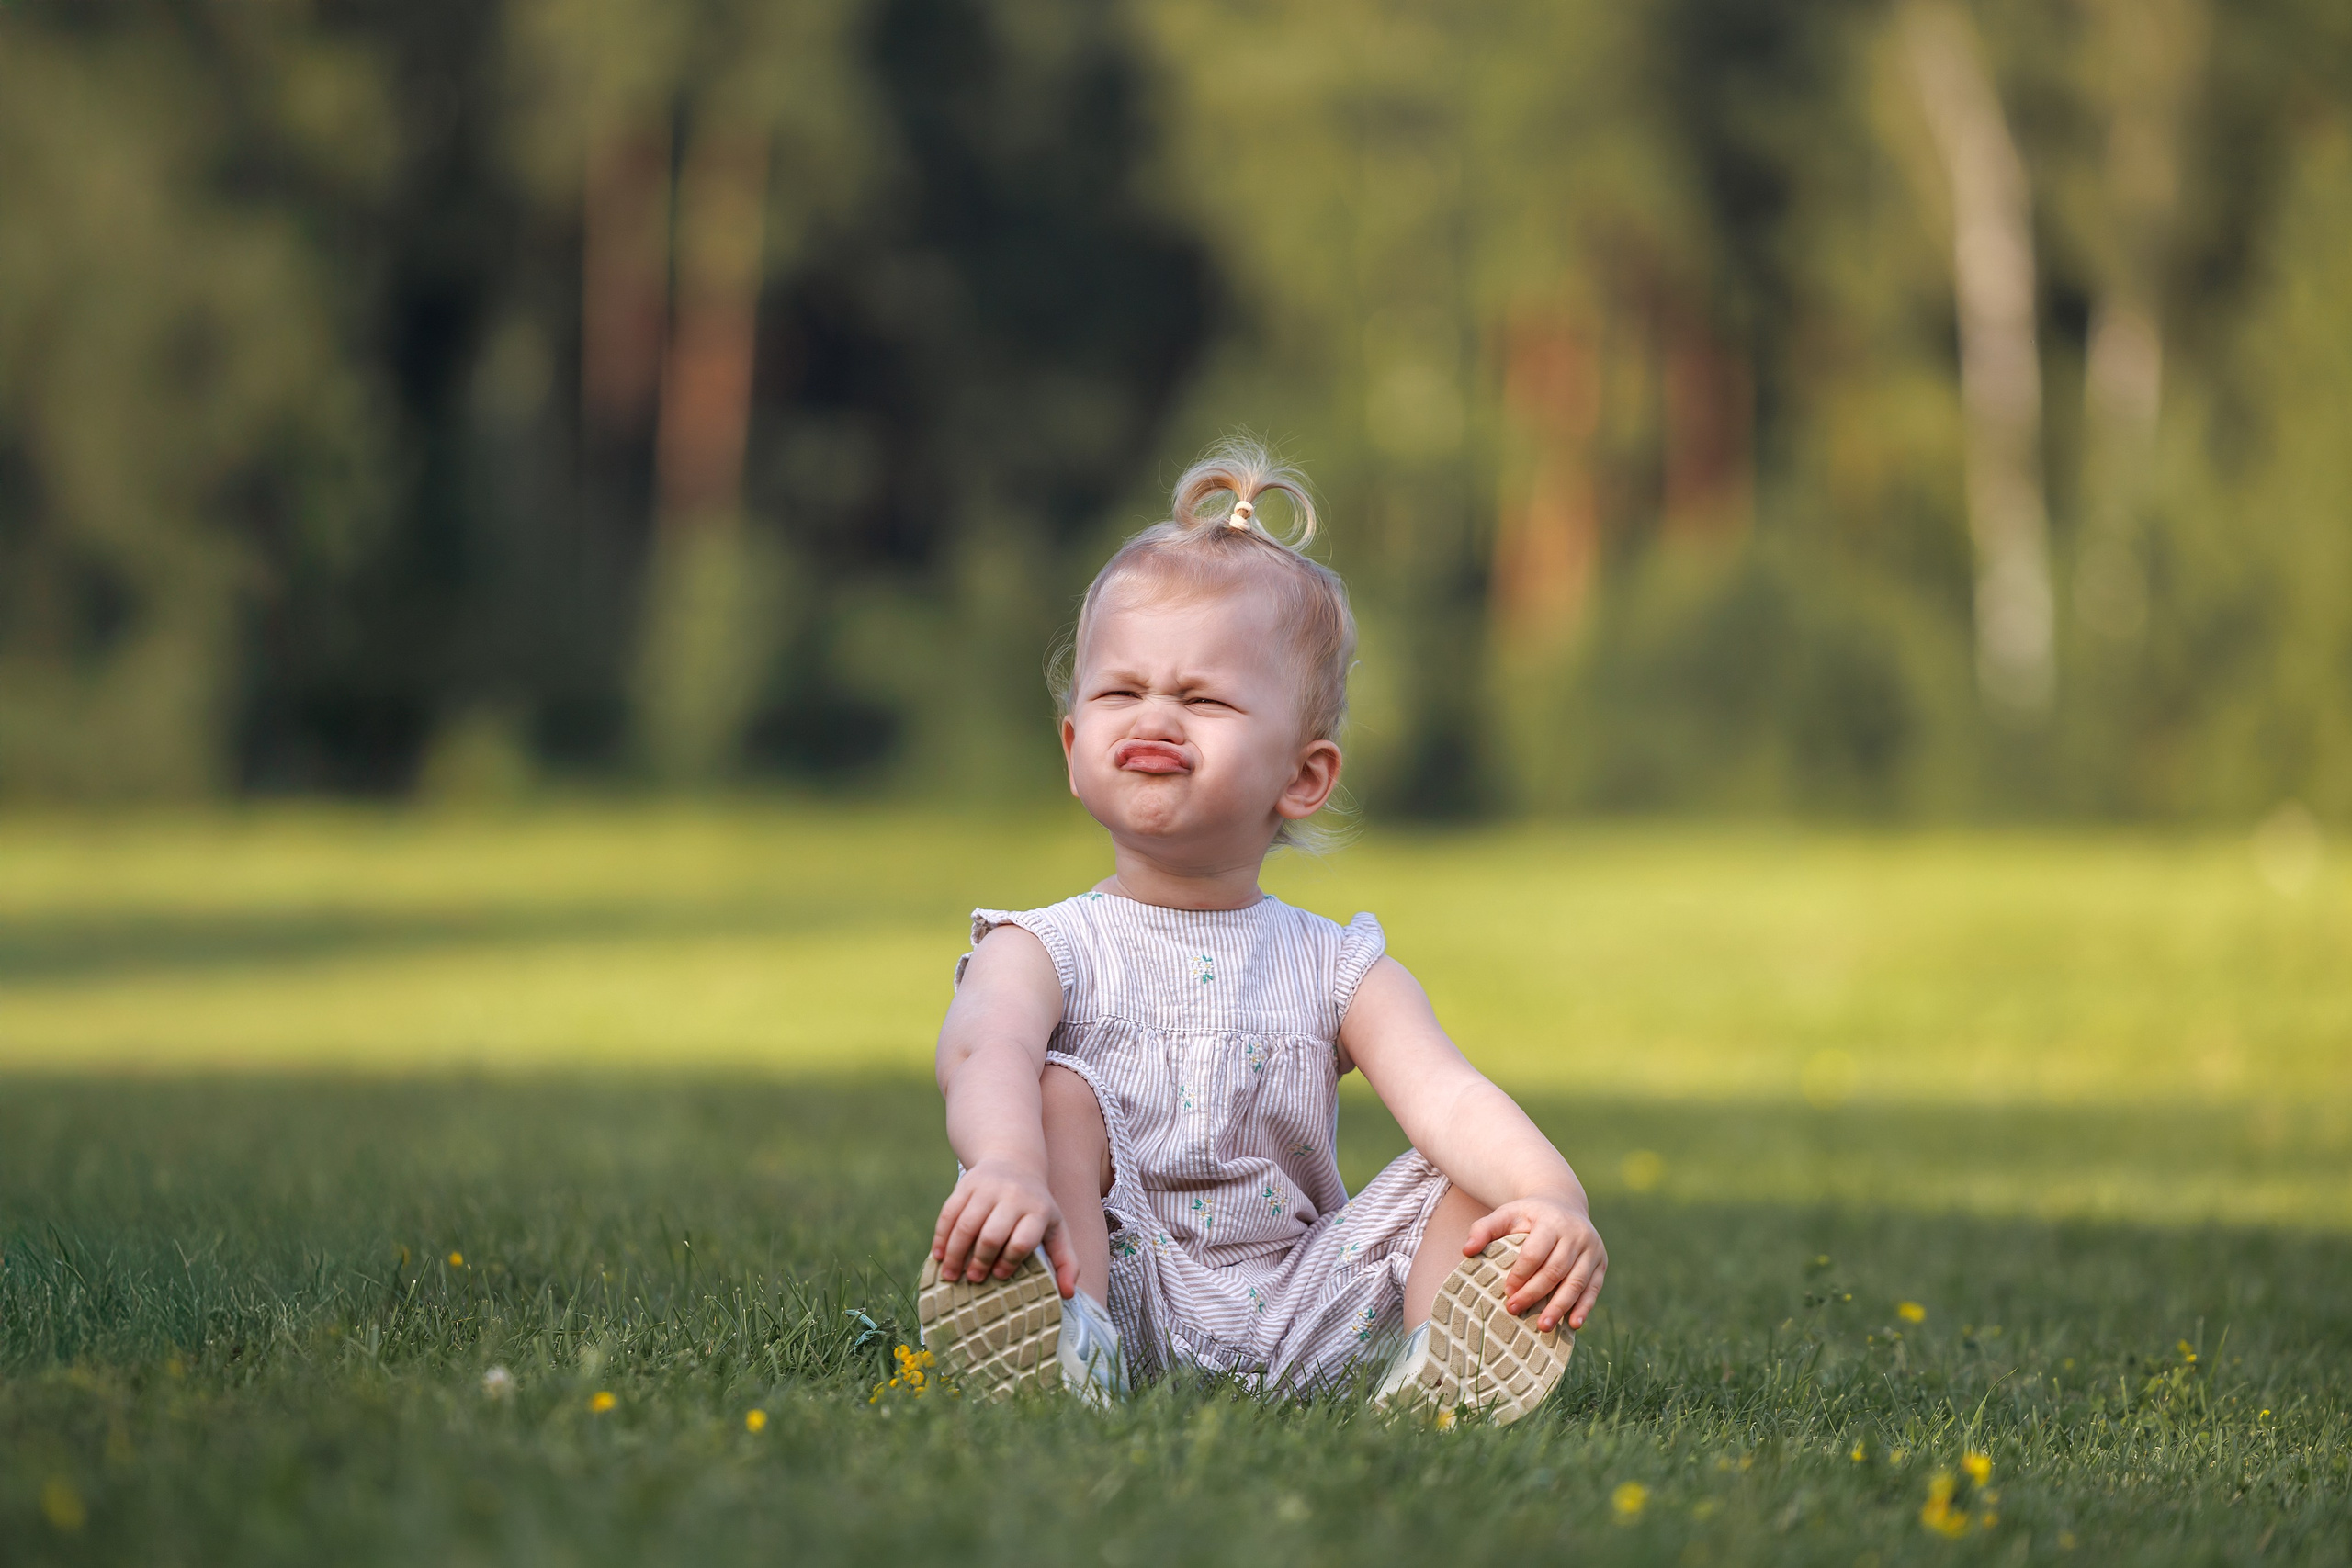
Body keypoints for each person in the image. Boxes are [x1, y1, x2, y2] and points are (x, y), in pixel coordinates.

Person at [917, 441, 1607, 1421]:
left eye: (1201, 698)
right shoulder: (1042, 946)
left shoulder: (1337, 967)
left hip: (1302, 1304)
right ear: (1075, 750)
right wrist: (1004, 1167)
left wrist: (1551, 1198)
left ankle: (1435, 1374)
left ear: (1302, 776)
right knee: (1054, 1090)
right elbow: (982, 1048)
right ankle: (1065, 1351)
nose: (1156, 714)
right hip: (1119, 1277)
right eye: (1120, 692)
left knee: (1454, 1177)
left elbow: (1448, 1097)